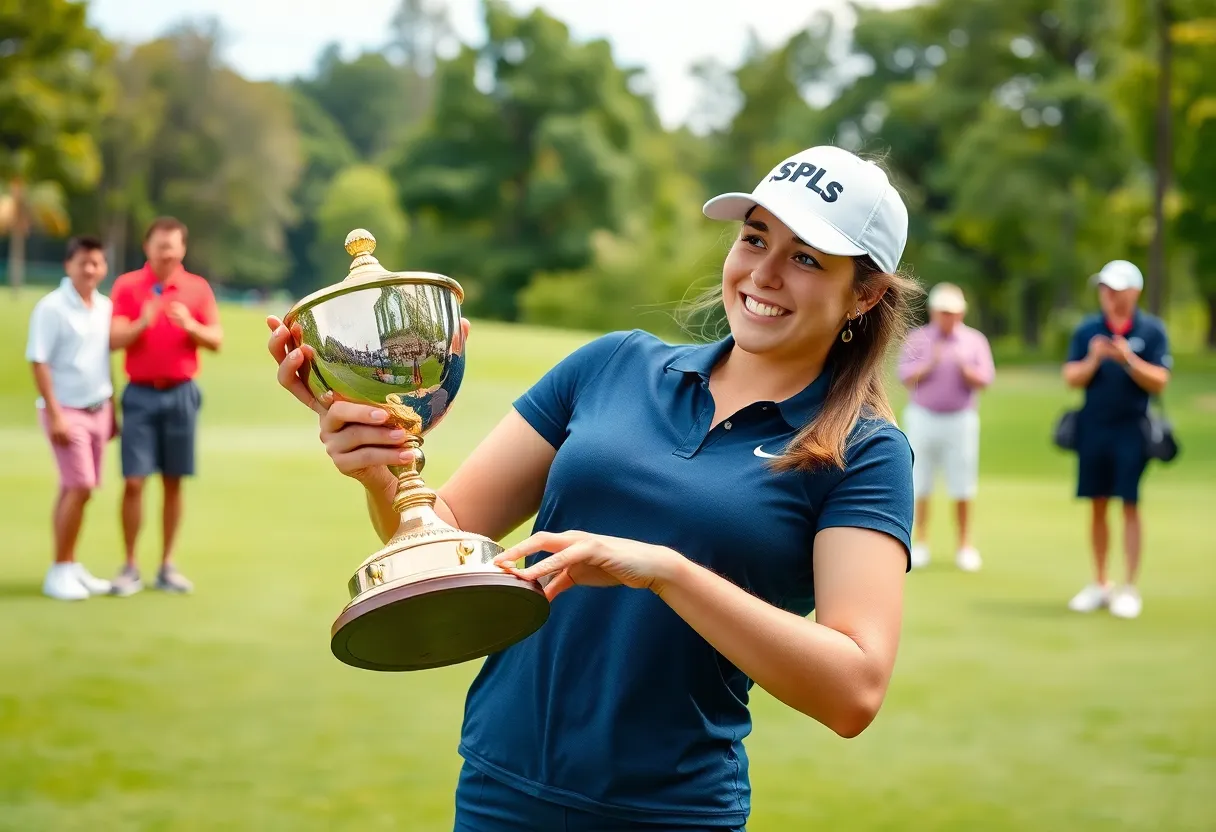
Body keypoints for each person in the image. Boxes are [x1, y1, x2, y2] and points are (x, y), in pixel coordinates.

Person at [269, 145, 919, 831]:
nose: (763, 273)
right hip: (500, 787)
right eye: (755, 238)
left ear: (867, 293)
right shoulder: (612, 365)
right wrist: (380, 465)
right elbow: (451, 531)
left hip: (669, 812)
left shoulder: (866, 453)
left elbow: (854, 689)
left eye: (806, 257)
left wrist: (665, 572)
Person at [109, 217, 223, 596]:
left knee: (174, 481)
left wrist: (191, 325)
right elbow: (112, 339)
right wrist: (141, 323)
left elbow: (216, 339)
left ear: (183, 249)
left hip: (181, 393)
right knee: (134, 480)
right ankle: (129, 566)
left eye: (173, 247)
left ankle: (167, 565)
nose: (167, 254)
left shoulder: (196, 288)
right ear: (147, 247)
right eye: (160, 247)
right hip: (140, 394)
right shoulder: (127, 286)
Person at [1062, 260, 1171, 620]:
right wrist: (1094, 359)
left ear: (1133, 292)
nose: (1106, 294)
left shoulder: (1151, 331)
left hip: (1132, 428)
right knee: (1097, 503)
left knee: (1129, 503)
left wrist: (1129, 360)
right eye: (1103, 287)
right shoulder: (1089, 330)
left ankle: (1129, 587)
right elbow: (1072, 377)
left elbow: (1160, 380)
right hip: (1094, 427)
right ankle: (1100, 582)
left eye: (1114, 288)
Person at [25, 236, 118, 601]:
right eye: (84, 263)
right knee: (80, 487)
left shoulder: (104, 306)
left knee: (76, 489)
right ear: (69, 266)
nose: (91, 269)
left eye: (97, 263)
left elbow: (102, 359)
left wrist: (112, 412)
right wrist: (56, 414)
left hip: (99, 407)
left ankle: (69, 564)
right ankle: (60, 569)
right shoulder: (51, 308)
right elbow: (39, 361)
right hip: (65, 411)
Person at [897, 282, 995, 572]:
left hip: (960, 419)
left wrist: (968, 372)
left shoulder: (974, 340)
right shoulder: (918, 339)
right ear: (933, 312)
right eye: (942, 312)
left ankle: (964, 545)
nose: (947, 318)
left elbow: (986, 379)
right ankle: (921, 542)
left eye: (952, 313)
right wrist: (930, 364)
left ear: (961, 313)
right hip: (923, 416)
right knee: (919, 480)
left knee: (962, 481)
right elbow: (905, 377)